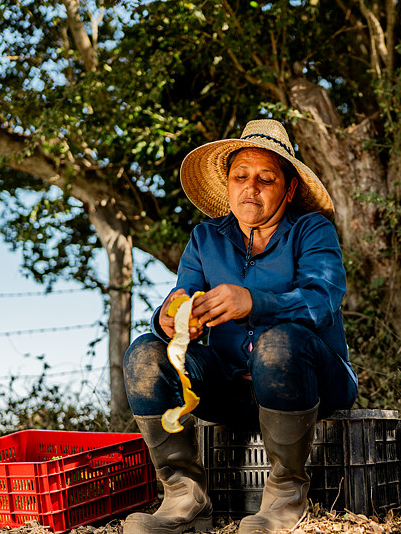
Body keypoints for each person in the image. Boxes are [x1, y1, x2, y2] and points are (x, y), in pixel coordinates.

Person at [122, 119, 359, 534]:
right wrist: (171, 317)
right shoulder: (205, 238)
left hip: (312, 384)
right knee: (145, 354)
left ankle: (286, 495)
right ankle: (184, 498)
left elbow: (322, 301)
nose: (251, 188)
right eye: (241, 176)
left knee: (278, 343)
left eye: (266, 179)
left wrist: (253, 302)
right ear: (228, 184)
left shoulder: (312, 230)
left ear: (289, 189)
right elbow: (181, 296)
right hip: (229, 386)